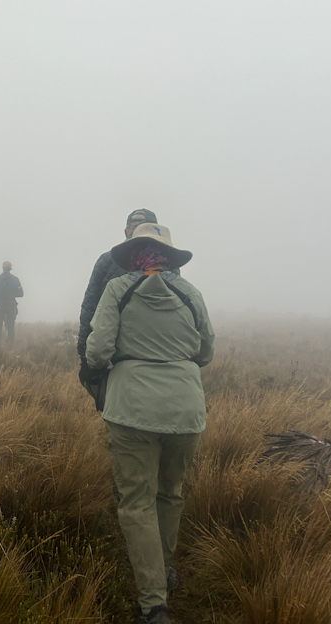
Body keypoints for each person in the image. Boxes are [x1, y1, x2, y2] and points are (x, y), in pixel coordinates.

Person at [85, 224, 214, 624]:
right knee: (170, 493)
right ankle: (164, 569)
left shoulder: (118, 290)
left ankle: (153, 604)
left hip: (132, 410)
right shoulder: (189, 293)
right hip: (185, 411)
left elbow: (97, 350)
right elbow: (205, 350)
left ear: (133, 253)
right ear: (169, 256)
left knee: (137, 503)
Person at [78, 209, 162, 408]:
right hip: (155, 350)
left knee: (116, 403)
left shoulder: (107, 260)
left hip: (113, 349)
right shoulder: (167, 264)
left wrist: (84, 352)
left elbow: (90, 305)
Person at [0, 261, 24, 347]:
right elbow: (21, 294)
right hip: (11, 305)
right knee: (11, 327)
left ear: (2, 268)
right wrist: (11, 294)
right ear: (10, 268)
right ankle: (10, 347)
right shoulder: (15, 279)